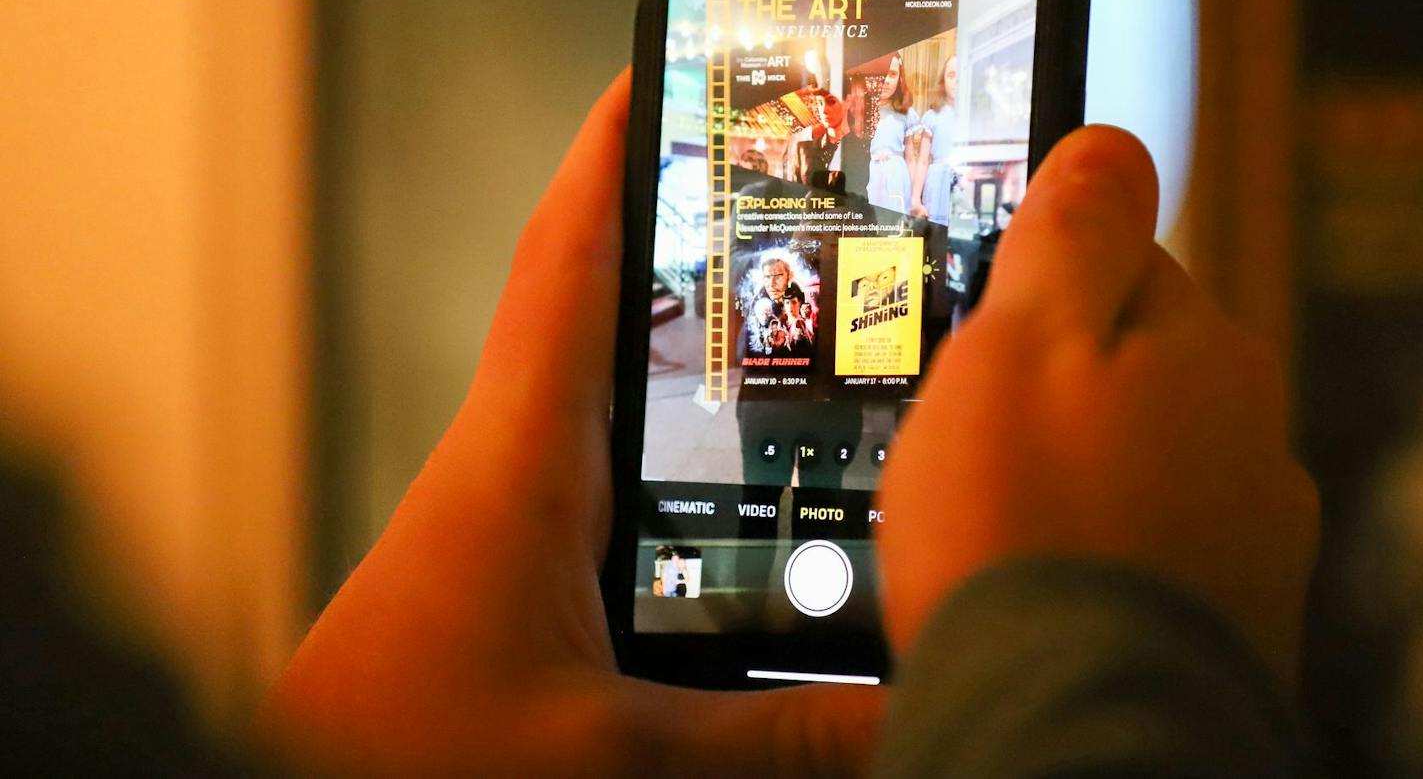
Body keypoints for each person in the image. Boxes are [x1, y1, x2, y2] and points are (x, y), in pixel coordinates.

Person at [258, 72, 1319, 776]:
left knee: (801, 495)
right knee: (807, 495)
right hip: (800, 404)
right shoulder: (815, 226)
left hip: (801, 402)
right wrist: (1082, 666)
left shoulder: (822, 222)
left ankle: (770, 595)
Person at [865, 55, 919, 215]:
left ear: (900, 78)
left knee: (895, 220)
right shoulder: (863, 111)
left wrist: (914, 197)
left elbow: (911, 159)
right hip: (870, 173)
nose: (886, 80)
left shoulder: (905, 113)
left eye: (892, 74)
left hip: (896, 175)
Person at [910, 54, 958, 223]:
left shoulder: (976, 115)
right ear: (943, 81)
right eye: (951, 75)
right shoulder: (933, 116)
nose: (957, 81)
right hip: (938, 184)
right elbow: (923, 161)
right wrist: (915, 199)